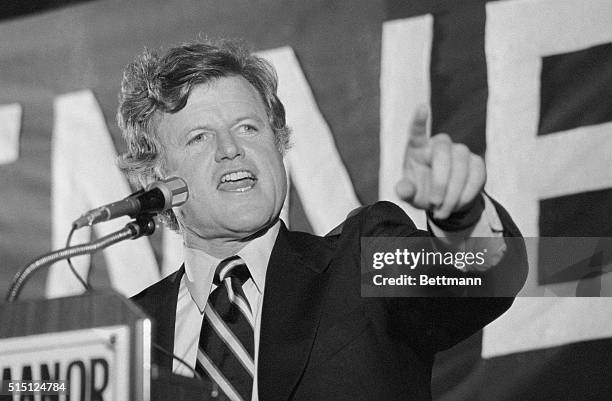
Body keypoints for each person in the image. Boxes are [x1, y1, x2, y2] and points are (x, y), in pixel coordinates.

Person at [118, 39, 527, 401]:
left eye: (248, 127)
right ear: (156, 178)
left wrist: (462, 218)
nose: (231, 149)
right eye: (199, 137)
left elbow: (488, 277)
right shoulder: (125, 334)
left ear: (278, 145)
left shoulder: (358, 262)